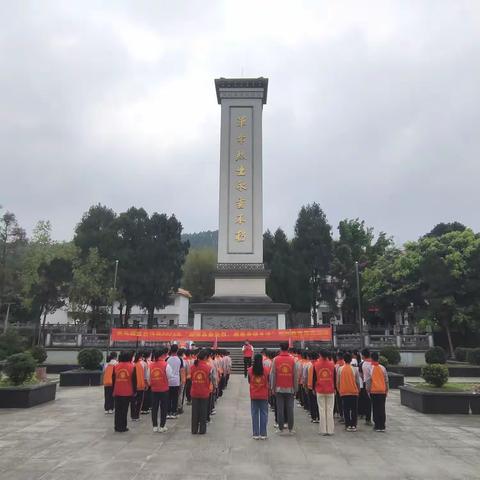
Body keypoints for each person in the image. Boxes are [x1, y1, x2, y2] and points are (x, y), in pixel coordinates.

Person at [270, 342, 298, 435]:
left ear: (280, 348)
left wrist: (272, 387)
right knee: (290, 409)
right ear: (288, 348)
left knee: (280, 408)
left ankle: (281, 428)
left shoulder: (275, 359)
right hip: (290, 388)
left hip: (278, 388)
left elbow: (273, 375)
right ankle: (290, 429)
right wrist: (296, 388)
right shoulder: (293, 360)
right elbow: (295, 375)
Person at [112, 351, 137, 433]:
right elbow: (134, 381)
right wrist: (134, 391)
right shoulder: (132, 367)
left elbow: (113, 379)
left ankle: (117, 426)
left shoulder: (116, 366)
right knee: (124, 410)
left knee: (118, 410)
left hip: (117, 391)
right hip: (127, 391)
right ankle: (123, 426)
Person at [190, 349, 214, 434]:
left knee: (195, 412)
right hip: (204, 392)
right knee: (203, 411)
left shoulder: (192, 367)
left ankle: (194, 429)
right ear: (205, 357)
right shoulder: (209, 368)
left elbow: (191, 377)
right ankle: (202, 430)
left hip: (194, 391)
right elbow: (212, 379)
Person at [248, 353, 270, 440]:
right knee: (264, 413)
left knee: (254, 414)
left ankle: (256, 433)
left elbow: (250, 381)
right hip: (264, 394)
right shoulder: (266, 370)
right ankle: (263, 433)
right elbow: (268, 381)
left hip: (254, 394)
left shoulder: (250, 370)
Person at [337, 352, 361, 432]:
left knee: (346, 409)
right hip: (354, 392)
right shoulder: (355, 369)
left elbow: (338, 382)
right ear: (351, 360)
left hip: (344, 392)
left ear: (344, 359)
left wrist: (339, 390)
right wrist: (358, 390)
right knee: (354, 409)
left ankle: (347, 425)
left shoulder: (340, 369)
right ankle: (353, 425)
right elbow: (357, 381)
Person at [313, 350, 335, 436]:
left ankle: (323, 430)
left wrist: (314, 389)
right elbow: (334, 377)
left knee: (321, 410)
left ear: (320, 355)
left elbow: (314, 378)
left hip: (320, 389)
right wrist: (335, 388)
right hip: (330, 389)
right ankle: (330, 430)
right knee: (330, 410)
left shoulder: (316, 365)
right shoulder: (332, 364)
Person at [149, 349, 172, 433]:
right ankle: (162, 426)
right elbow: (169, 376)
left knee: (154, 408)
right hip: (164, 389)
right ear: (162, 355)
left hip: (154, 389)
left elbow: (148, 377)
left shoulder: (151, 365)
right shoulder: (166, 365)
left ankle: (154, 426)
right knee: (163, 408)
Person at [365, 352, 388, 432]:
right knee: (382, 408)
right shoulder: (383, 368)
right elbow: (386, 380)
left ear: (371, 358)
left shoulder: (370, 368)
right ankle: (382, 425)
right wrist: (386, 390)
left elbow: (368, 381)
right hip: (382, 391)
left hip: (374, 391)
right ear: (378, 358)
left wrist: (367, 390)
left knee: (375, 408)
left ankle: (377, 425)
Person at [166, 344, 182, 419]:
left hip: (168, 381)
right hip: (176, 381)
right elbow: (181, 370)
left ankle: (168, 412)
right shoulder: (180, 359)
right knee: (175, 397)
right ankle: (174, 412)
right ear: (177, 350)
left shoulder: (167, 359)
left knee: (168, 397)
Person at [131, 352, 146, 421]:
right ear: (141, 356)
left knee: (133, 401)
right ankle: (137, 416)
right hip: (140, 385)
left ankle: (132, 415)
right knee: (139, 401)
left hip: (133, 385)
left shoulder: (133, 364)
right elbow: (146, 375)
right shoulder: (143, 363)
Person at [360, 348, 373, 426]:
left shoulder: (362, 364)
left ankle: (368, 419)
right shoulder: (373, 363)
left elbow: (361, 375)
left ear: (364, 355)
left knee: (367, 402)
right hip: (374, 384)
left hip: (366, 383)